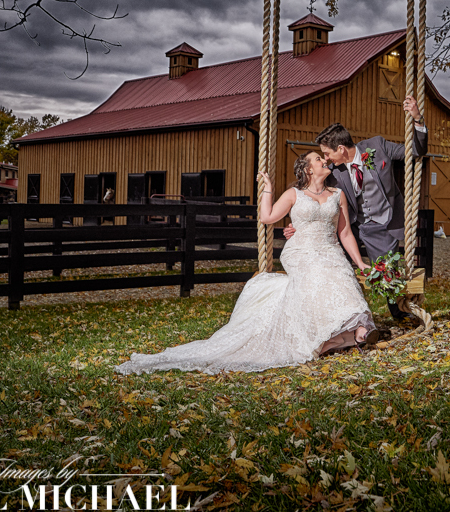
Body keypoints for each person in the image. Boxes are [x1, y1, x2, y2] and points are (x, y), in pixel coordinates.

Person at [115, 152, 377, 375]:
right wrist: (268, 189)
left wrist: (360, 263)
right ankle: (337, 335)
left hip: (329, 248)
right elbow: (267, 217)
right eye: (318, 159)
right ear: (308, 169)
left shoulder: (337, 195)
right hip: (301, 251)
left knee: (341, 274)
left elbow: (344, 232)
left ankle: (358, 331)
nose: (324, 160)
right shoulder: (294, 194)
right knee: (318, 274)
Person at [286, 96, 427, 319]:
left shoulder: (378, 146)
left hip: (382, 224)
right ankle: (339, 315)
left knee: (388, 272)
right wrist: (299, 224)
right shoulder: (334, 172)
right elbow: (312, 194)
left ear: (341, 149)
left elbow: (416, 152)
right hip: (350, 226)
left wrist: (417, 119)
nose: (326, 159)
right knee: (332, 265)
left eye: (327, 153)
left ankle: (399, 314)